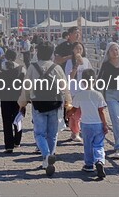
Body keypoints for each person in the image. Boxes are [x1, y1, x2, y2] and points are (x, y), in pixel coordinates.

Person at [19, 41, 72, 176]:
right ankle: (49, 158)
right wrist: (68, 103)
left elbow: (26, 87)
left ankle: (46, 155)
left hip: (39, 104)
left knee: (39, 133)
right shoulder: (56, 67)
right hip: (54, 104)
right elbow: (64, 87)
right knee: (53, 134)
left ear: (38, 52)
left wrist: (22, 103)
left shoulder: (32, 67)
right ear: (52, 53)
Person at [67, 68, 109, 179]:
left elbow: (74, 109)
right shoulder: (98, 95)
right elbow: (101, 111)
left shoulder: (79, 95)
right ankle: (99, 160)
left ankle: (89, 164)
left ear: (82, 81)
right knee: (99, 144)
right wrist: (105, 124)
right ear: (94, 81)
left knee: (88, 145)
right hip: (98, 124)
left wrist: (68, 114)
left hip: (86, 124)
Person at [0, 49, 25, 153]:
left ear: (6, 56)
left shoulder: (0, 68)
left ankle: (9, 145)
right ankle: (17, 141)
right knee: (18, 119)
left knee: (6, 121)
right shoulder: (21, 69)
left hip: (5, 96)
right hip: (18, 97)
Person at [64, 42, 92, 142]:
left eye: (81, 49)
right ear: (73, 50)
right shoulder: (69, 62)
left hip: (84, 89)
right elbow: (69, 77)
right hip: (74, 90)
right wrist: (76, 64)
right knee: (75, 112)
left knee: (83, 113)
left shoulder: (86, 61)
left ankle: (76, 131)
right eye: (77, 49)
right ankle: (75, 132)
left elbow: (90, 74)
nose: (79, 51)